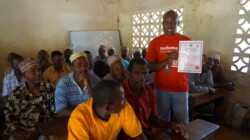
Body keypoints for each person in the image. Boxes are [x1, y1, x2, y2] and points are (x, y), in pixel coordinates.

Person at [119, 58, 188, 140]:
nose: (142, 77)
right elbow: (122, 129)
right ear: (128, 74)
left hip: (148, 134)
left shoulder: (148, 90)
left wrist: (173, 125)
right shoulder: (120, 93)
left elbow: (153, 118)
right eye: (137, 73)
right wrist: (152, 136)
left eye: (145, 73)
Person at [145, 10, 190, 124]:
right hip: (161, 89)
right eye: (166, 22)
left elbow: (193, 65)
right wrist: (166, 61)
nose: (169, 25)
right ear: (162, 24)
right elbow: (150, 67)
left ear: (178, 23)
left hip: (180, 88)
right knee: (162, 121)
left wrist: (189, 60)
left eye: (173, 22)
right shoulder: (155, 43)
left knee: (182, 122)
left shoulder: (186, 41)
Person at [68, 80, 147, 140]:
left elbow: (138, 135)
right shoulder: (79, 118)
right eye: (122, 99)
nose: (125, 101)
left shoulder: (124, 107)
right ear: (108, 107)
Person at [4, 58, 55, 140]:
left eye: (39, 70)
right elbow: (8, 114)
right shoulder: (17, 93)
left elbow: (55, 115)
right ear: (24, 75)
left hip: (43, 132)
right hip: (21, 132)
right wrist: (16, 132)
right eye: (33, 71)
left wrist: (38, 131)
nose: (38, 73)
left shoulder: (50, 90)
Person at [55, 52, 100, 117]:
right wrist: (84, 114)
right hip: (72, 121)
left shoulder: (95, 79)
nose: (83, 68)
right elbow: (61, 111)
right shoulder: (63, 83)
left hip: (92, 119)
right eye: (79, 65)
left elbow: (99, 104)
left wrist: (88, 86)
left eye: (86, 64)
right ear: (72, 68)